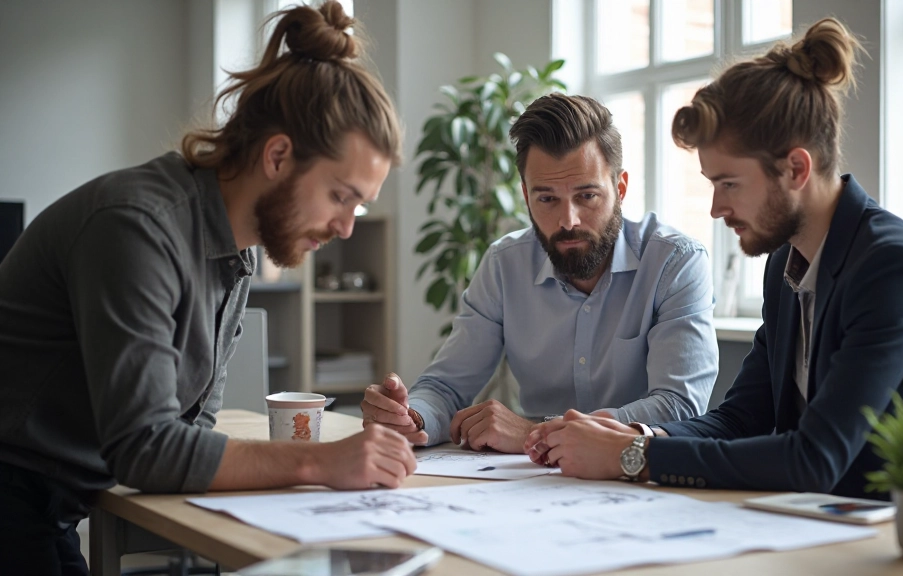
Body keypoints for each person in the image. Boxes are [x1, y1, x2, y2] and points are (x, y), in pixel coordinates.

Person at [524, 18, 903, 521]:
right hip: (827, 526)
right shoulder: (788, 263)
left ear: (796, 169)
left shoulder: (893, 269)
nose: (715, 208)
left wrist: (633, 459)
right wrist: (637, 435)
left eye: (729, 184)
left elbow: (814, 458)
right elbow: (743, 416)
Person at [0, 3, 417, 574]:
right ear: (277, 156)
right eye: (341, 196)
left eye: (360, 205)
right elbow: (146, 448)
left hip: (51, 502)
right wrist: (318, 461)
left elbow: (188, 427)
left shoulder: (232, 248)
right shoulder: (137, 227)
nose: (347, 227)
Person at [361, 93, 719, 453]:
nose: (568, 221)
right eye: (546, 199)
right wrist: (413, 418)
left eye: (587, 196)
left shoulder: (675, 263)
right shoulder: (504, 264)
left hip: (638, 475)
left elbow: (679, 407)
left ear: (620, 188)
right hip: (527, 484)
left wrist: (536, 433)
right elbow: (447, 388)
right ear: (525, 194)